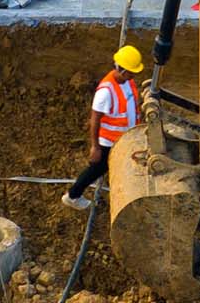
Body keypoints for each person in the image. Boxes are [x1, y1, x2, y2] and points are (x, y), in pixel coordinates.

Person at [62, 44, 146, 209]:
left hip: (126, 138)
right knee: (96, 170)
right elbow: (95, 120)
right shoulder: (106, 92)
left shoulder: (128, 81)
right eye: (131, 72)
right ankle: (72, 196)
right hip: (110, 142)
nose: (133, 75)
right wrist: (95, 147)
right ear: (121, 69)